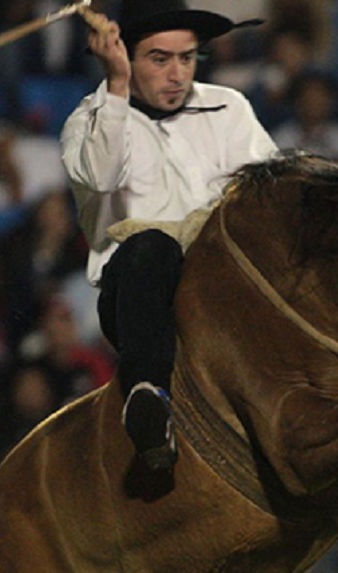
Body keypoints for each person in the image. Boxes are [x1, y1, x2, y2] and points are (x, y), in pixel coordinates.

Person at [61, 0, 277, 471]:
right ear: (126, 58)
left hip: (226, 287)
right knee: (152, 244)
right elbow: (98, 177)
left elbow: (268, 198)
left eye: (187, 57)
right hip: (140, 296)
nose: (178, 74)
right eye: (160, 59)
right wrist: (116, 86)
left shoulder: (229, 109)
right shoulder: (90, 120)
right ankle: (148, 398)